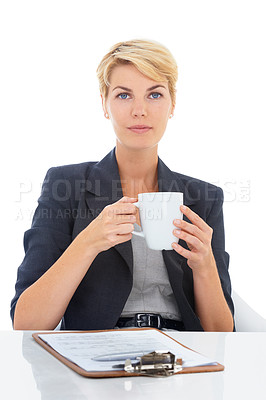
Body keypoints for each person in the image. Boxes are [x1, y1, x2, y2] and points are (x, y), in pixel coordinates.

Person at [11, 39, 234, 332]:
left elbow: (224, 337)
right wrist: (88, 242)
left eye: (154, 95)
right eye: (124, 95)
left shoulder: (203, 198)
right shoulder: (65, 185)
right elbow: (26, 322)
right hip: (96, 354)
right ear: (104, 104)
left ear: (172, 105)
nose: (140, 110)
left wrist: (204, 267)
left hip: (180, 356)